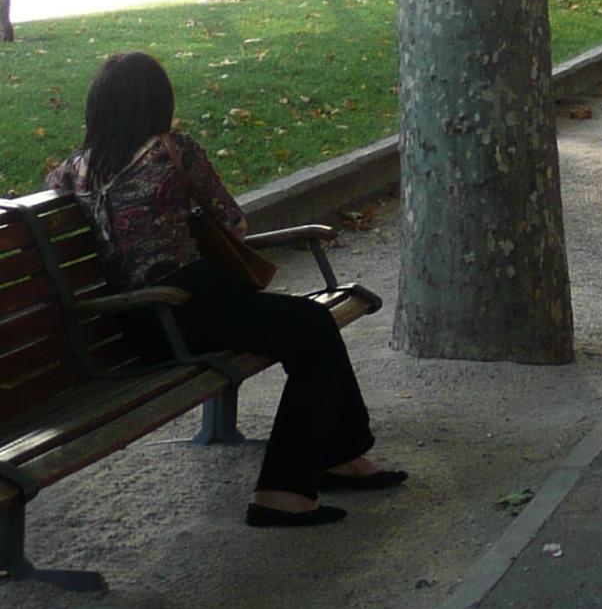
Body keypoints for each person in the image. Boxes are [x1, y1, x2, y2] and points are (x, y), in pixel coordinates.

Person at [53, 51, 401, 527]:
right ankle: (284, 491)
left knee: (309, 326)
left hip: (130, 327)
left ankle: (340, 457)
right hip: (184, 305)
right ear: (157, 102)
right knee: (312, 325)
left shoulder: (71, 171)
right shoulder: (172, 149)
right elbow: (234, 225)